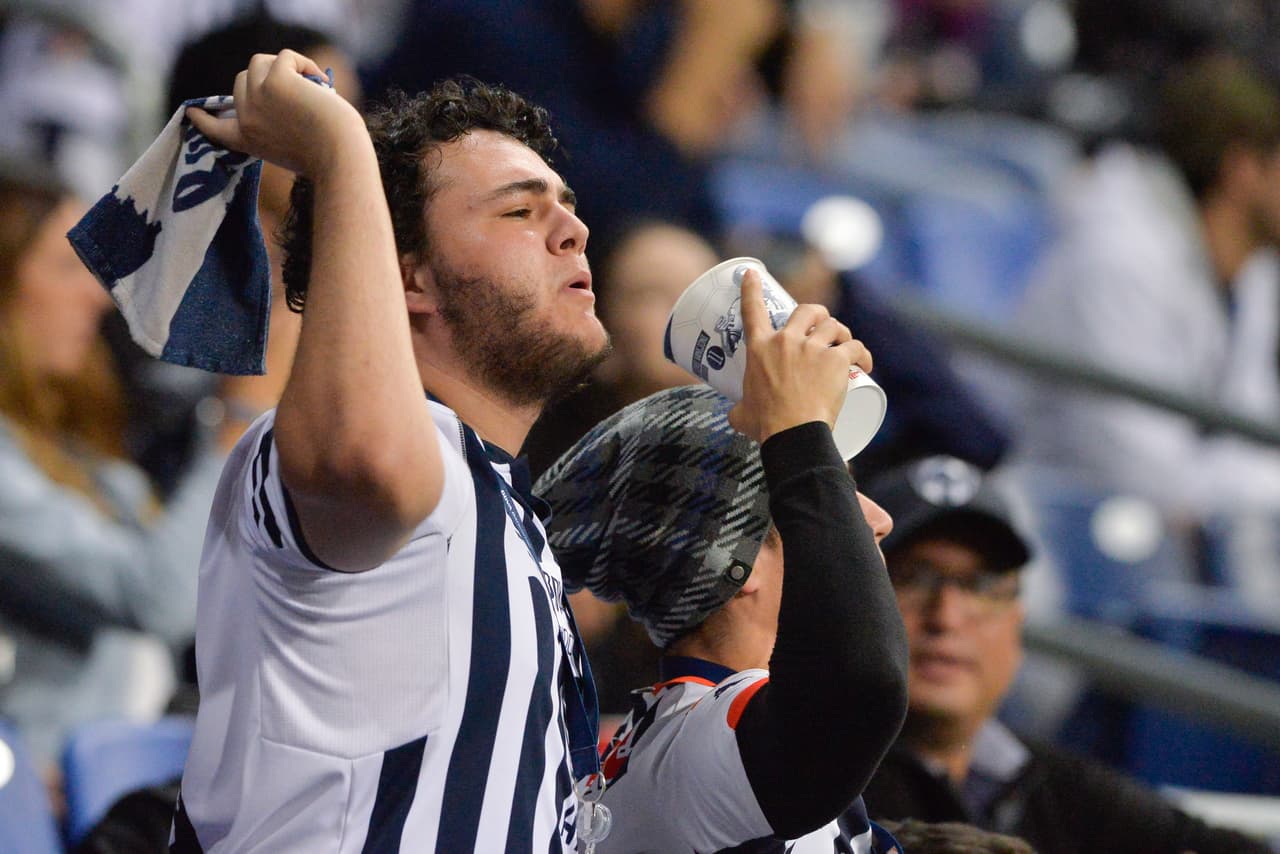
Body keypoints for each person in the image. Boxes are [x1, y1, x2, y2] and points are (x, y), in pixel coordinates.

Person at [174, 57, 610, 851]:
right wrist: (339, 151)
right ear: (408, 275)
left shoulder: (505, 507)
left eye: (567, 207)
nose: (573, 230)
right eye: (520, 212)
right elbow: (370, 466)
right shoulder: (335, 448)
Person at [536, 271, 909, 852]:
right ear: (740, 566)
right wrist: (797, 431)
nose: (878, 520)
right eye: (830, 495)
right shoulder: (700, 745)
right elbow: (862, 682)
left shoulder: (682, 737)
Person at [859, 454, 1274, 854]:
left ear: (1016, 621)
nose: (946, 617)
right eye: (911, 578)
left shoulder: (1048, 782)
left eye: (981, 585)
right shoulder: (817, 783)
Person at [0, 166, 224, 800]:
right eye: (66, 269)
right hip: (45, 791)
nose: (97, 297)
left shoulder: (77, 448)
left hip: (128, 774)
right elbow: (155, 597)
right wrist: (236, 424)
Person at [1015, 52, 1280, 517]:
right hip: (1061, 533)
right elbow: (1142, 477)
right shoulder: (1118, 258)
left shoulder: (1253, 270)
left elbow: (1251, 427)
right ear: (1244, 168)